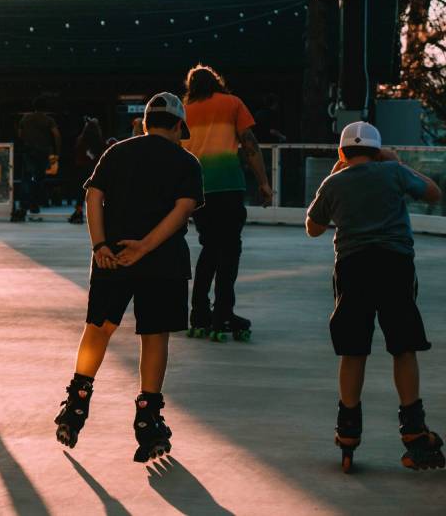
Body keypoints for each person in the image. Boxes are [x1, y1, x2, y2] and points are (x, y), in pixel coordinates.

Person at [54, 92, 203, 461]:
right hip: (163, 262)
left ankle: (76, 403)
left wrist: (100, 245)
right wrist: (147, 246)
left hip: (112, 258)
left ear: (145, 122)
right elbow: (183, 209)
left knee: (99, 327)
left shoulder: (116, 152)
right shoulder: (187, 162)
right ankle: (148, 418)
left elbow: (93, 197)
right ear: (180, 126)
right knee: (153, 337)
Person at [306, 122, 445, 473]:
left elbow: (313, 227)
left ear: (342, 152)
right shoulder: (393, 172)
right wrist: (396, 163)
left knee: (354, 349)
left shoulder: (333, 182)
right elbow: (433, 193)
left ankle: (348, 430)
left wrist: (335, 180)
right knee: (403, 345)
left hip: (353, 268)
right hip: (395, 265)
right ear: (378, 151)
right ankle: (414, 431)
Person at [182, 65, 273, 341]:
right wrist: (264, 183)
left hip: (198, 190)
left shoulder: (184, 111)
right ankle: (224, 313)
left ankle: (198, 314)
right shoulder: (232, 104)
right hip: (229, 186)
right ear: (217, 82)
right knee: (230, 250)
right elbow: (249, 144)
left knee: (209, 248)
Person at [13, 96, 61, 221]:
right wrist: (57, 151)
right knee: (39, 179)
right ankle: (34, 204)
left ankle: (24, 205)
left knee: (26, 178)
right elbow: (56, 135)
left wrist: (25, 143)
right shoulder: (48, 120)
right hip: (43, 152)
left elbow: (19, 134)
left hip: (28, 151)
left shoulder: (25, 118)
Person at [68, 118, 105, 225]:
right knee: (96, 192)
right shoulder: (99, 140)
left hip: (82, 168)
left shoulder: (81, 139)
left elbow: (77, 154)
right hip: (95, 169)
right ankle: (97, 214)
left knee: (80, 192)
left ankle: (78, 212)